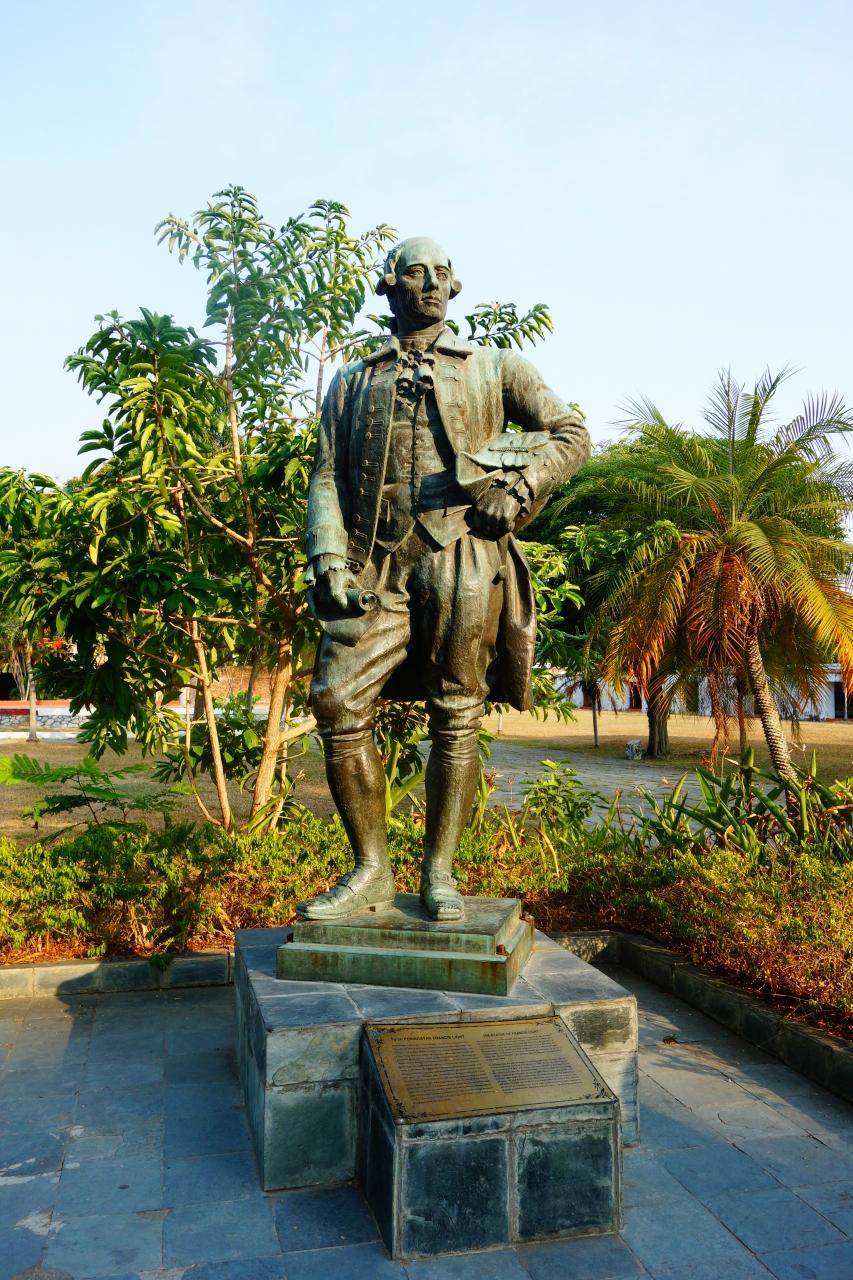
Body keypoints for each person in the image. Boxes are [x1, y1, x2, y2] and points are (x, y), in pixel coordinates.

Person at [300, 236, 590, 921]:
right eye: (415, 272)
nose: (430, 283)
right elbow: (326, 475)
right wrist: (328, 557)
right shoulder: (353, 381)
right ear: (389, 284)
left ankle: (439, 873)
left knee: (456, 713)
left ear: (454, 287)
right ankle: (371, 870)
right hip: (373, 562)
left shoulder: (494, 366)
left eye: (441, 274)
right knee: (336, 703)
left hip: (461, 553)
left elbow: (571, 433)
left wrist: (518, 489)